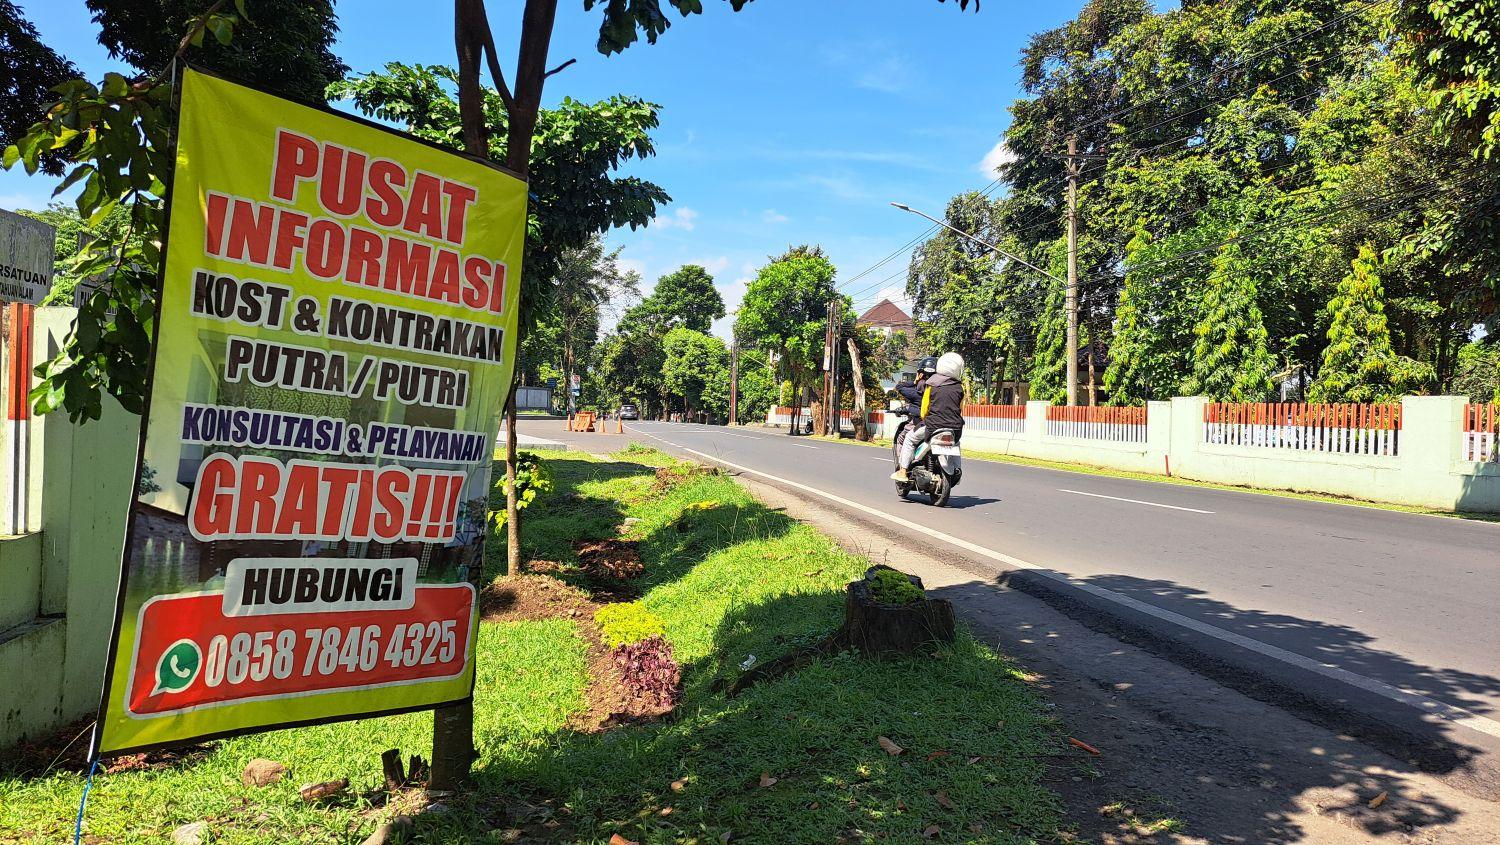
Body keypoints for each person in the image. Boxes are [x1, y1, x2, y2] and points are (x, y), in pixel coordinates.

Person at [891, 351, 965, 482]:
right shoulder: (959, 387)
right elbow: (960, 409)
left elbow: (924, 411)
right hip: (956, 427)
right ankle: (958, 471)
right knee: (956, 444)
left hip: (933, 425)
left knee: (909, 439)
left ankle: (902, 472)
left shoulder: (931, 385)